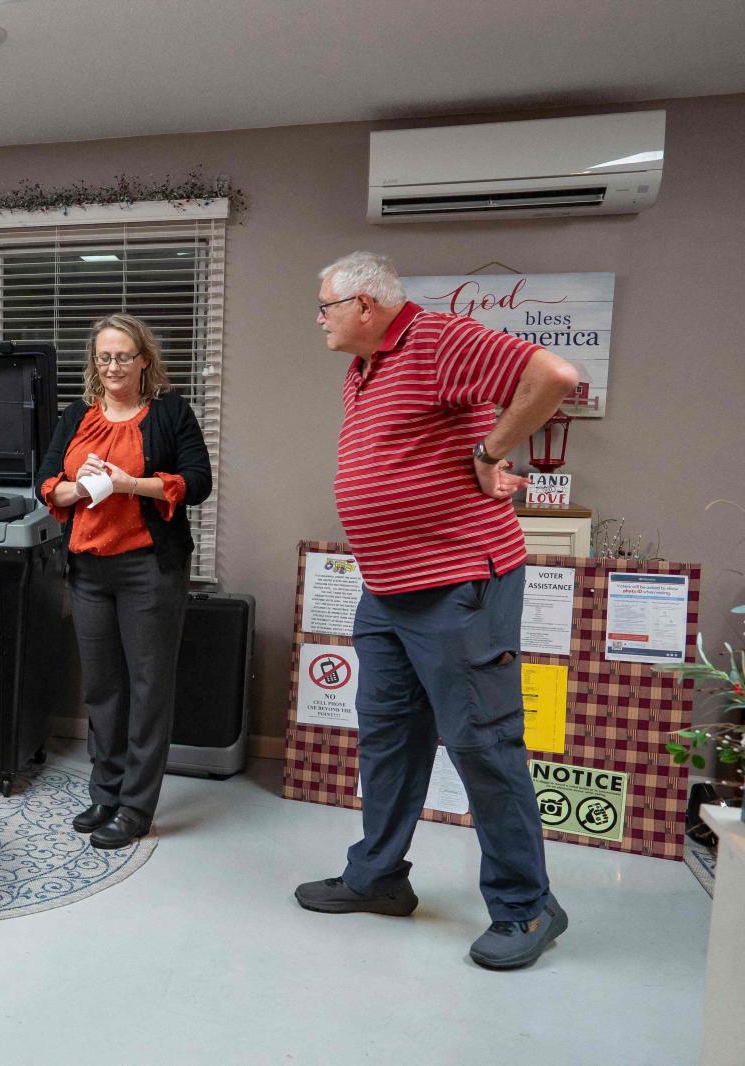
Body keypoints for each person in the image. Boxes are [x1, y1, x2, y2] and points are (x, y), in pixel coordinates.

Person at [294, 251, 581, 971]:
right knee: (388, 738)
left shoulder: (436, 339)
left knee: (483, 744)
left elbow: (552, 376)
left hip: (458, 587)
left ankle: (527, 908)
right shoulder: (361, 368)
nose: (319, 318)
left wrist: (491, 451)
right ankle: (379, 876)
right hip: (387, 589)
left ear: (366, 305)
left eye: (326, 305)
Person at [33, 313, 212, 850]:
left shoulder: (170, 413)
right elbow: (46, 483)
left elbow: (197, 483)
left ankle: (136, 806)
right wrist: (78, 489)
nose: (112, 365)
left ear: (144, 362)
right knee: (104, 689)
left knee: (147, 689)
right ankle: (105, 793)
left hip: (148, 572)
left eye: (123, 356)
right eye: (103, 356)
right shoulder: (76, 416)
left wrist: (127, 484)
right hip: (88, 569)